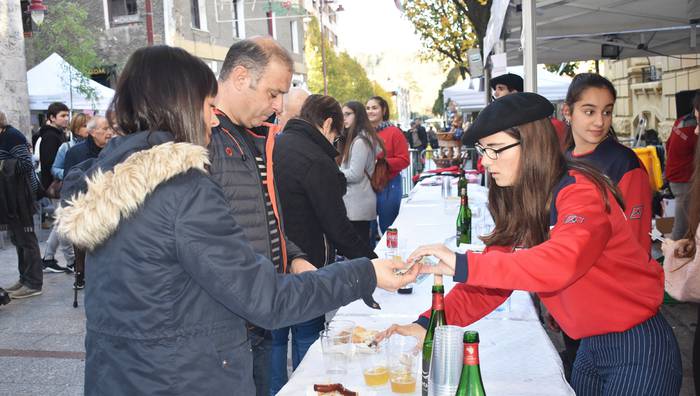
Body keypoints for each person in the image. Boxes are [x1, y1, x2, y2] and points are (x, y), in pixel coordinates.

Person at [54, 45, 419, 396]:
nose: (213, 117)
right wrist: (364, 273)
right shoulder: (182, 189)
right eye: (207, 105)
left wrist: (290, 256)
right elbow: (267, 299)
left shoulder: (112, 179)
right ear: (179, 106)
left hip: (126, 375)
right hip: (185, 378)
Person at [381, 92, 682, 395]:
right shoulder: (526, 201)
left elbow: (560, 261)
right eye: (483, 150)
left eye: (495, 150)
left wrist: (463, 264)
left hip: (636, 347)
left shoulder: (581, 192)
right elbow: (487, 288)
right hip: (591, 347)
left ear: (532, 145)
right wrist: (426, 323)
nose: (485, 161)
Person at [209, 37, 316, 396]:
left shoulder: (249, 136)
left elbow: (262, 216)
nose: (279, 106)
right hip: (225, 326)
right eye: (273, 93)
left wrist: (294, 256)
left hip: (256, 315)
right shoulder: (203, 137)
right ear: (240, 78)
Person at [271, 95, 379, 393]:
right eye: (337, 135)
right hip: (307, 266)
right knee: (308, 349)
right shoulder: (316, 159)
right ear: (328, 123)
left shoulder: (275, 146)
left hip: (272, 260)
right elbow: (337, 227)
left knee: (275, 343)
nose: (336, 141)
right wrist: (374, 264)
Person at [563, 73, 652, 253]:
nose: (600, 122)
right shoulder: (562, 160)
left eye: (607, 112)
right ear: (567, 112)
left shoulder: (624, 163)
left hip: (613, 277)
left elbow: (637, 241)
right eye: (589, 112)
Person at [662, 92, 700, 396]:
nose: (696, 131)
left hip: (679, 178)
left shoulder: (683, 123)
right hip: (681, 178)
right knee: (682, 227)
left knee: (681, 228)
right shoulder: (687, 126)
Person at [62, 115, 114, 290]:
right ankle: (80, 271)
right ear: (92, 132)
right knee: (82, 243)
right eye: (105, 129)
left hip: (109, 204)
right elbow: (69, 183)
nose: (109, 133)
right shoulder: (75, 152)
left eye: (110, 129)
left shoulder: (115, 151)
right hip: (85, 204)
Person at [0, 110, 43, 299]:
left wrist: (2, 164)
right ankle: (24, 279)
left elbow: (27, 163)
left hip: (21, 196)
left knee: (26, 238)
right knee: (18, 239)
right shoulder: (5, 136)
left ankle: (33, 283)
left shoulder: (12, 136)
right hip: (11, 196)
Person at [41, 113, 91, 273]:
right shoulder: (66, 147)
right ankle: (71, 261)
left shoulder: (98, 146)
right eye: (84, 125)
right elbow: (55, 168)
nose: (88, 129)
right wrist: (72, 173)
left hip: (88, 192)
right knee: (64, 226)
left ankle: (49, 257)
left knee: (61, 225)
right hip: (70, 191)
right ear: (76, 128)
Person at [339, 101, 384, 252]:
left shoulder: (360, 141)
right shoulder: (360, 138)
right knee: (360, 249)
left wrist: (334, 173)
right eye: (343, 114)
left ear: (357, 116)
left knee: (359, 251)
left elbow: (355, 174)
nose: (344, 118)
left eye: (348, 114)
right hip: (358, 203)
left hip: (358, 204)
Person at [365, 96, 409, 243]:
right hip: (366, 185)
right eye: (368, 108)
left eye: (374, 108)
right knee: (367, 229)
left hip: (389, 183)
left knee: (388, 227)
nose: (370, 111)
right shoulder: (362, 132)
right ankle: (369, 263)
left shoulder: (394, 132)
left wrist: (381, 162)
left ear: (383, 110)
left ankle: (392, 259)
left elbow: (404, 160)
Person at [666, 90, 699, 240]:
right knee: (682, 225)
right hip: (683, 180)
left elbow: (667, 145)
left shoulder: (679, 121)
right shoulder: (692, 130)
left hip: (675, 176)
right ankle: (671, 257)